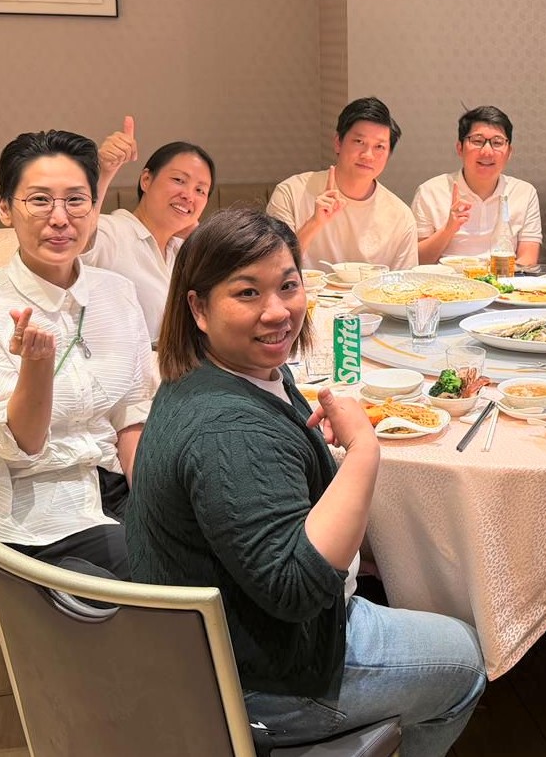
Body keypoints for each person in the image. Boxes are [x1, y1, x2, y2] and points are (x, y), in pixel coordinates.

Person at [125, 207, 486, 755]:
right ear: (198, 307)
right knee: (466, 658)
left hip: (213, 638)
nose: (277, 312)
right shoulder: (229, 430)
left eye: (288, 285)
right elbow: (296, 589)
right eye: (247, 293)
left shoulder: (222, 373)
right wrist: (364, 450)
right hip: (263, 674)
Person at [0, 130, 156, 578]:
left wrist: (154, 502)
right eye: (39, 200)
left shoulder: (116, 294)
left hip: (109, 483)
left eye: (76, 201)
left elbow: (131, 411)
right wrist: (35, 367)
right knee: (159, 572)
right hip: (25, 508)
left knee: (219, 544)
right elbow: (20, 446)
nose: (60, 219)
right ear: (5, 208)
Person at [84, 114, 217, 342]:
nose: (188, 195)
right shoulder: (112, 231)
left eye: (200, 190)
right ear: (146, 180)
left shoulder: (184, 252)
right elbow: (77, 237)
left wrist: (199, 236)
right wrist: (103, 171)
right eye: (179, 180)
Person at [267, 97, 418, 272]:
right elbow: (272, 269)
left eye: (379, 147)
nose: (368, 155)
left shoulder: (401, 217)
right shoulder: (291, 193)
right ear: (338, 142)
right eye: (359, 142)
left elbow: (404, 285)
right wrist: (315, 223)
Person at [412, 106, 542, 266]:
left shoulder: (524, 193)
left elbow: (528, 260)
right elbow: (418, 261)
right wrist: (448, 229)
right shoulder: (430, 191)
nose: (487, 152)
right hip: (446, 281)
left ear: (509, 152)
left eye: (497, 143)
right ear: (460, 148)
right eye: (477, 141)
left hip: (503, 279)